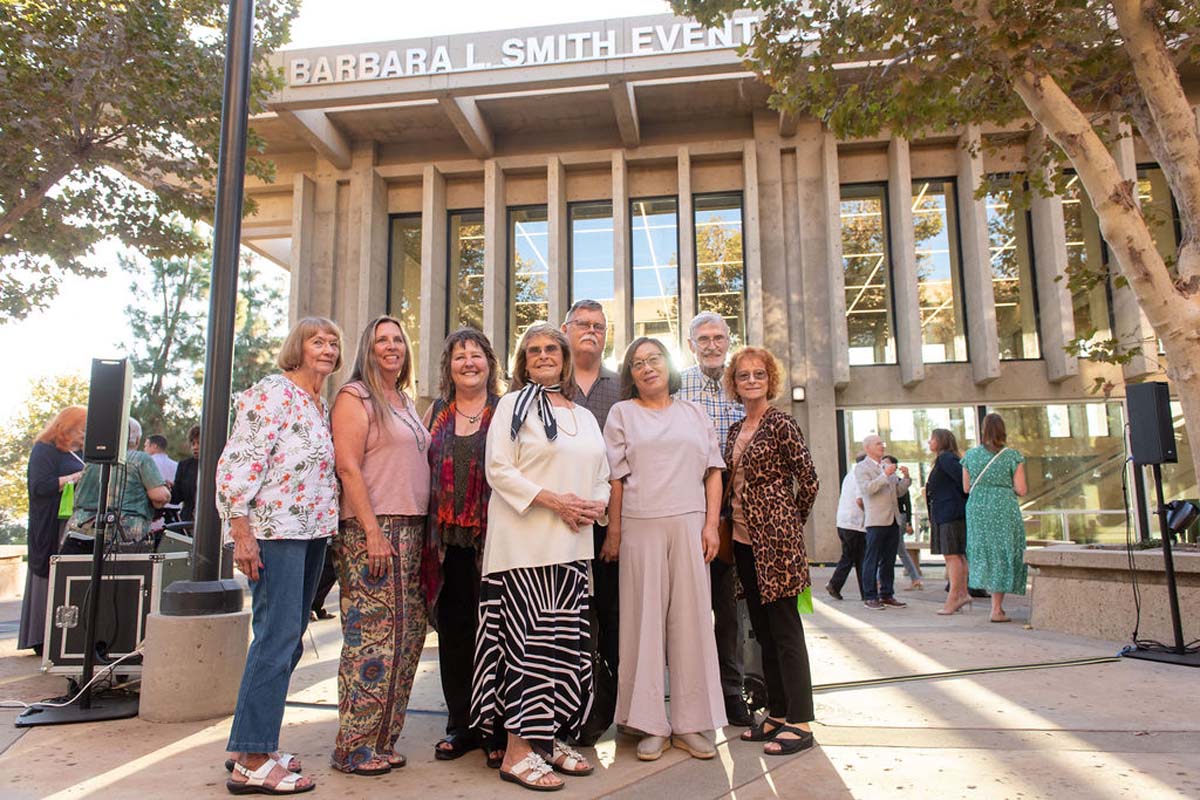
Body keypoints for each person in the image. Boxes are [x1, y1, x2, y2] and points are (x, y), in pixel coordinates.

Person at [476, 322, 610, 792]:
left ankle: (548, 743)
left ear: (565, 357)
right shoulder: (513, 406)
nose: (542, 355)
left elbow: (603, 475)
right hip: (523, 549)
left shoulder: (585, 416)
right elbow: (499, 470)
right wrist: (556, 502)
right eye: (533, 350)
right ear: (522, 362)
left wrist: (595, 506)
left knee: (564, 650)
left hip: (573, 548)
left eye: (551, 348)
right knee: (527, 650)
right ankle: (516, 752)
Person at [219, 316, 342, 795]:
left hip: (312, 534)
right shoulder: (272, 392)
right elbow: (237, 463)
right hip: (275, 532)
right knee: (275, 638)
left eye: (334, 342)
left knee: (288, 640)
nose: (327, 349)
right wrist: (241, 531)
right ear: (298, 347)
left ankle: (251, 743)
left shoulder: (318, 403)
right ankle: (251, 758)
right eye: (318, 341)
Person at [603, 337, 727, 761]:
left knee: (692, 624)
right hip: (640, 527)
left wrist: (711, 525)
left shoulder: (693, 412)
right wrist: (614, 533)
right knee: (643, 626)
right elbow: (615, 478)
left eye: (654, 358)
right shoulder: (621, 414)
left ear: (668, 364)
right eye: (637, 363)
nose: (647, 367)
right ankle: (649, 723)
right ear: (630, 374)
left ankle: (692, 723)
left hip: (690, 524)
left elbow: (714, 471)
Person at [329, 315, 431, 776]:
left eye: (397, 340)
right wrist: (371, 530)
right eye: (381, 340)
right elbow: (348, 467)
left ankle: (383, 740)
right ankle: (352, 747)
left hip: (413, 531)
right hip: (374, 531)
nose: (391, 347)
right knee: (371, 643)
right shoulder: (355, 397)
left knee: (407, 641)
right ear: (367, 350)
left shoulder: (405, 401)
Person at [723, 346, 820, 756]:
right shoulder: (734, 428)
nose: (750, 381)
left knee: (786, 631)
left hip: (777, 543)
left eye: (758, 374)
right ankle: (778, 713)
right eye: (743, 375)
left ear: (770, 379)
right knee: (762, 632)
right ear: (734, 382)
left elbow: (809, 479)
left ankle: (800, 721)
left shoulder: (781, 423)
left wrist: (787, 523)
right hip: (745, 544)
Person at [422, 328, 502, 764]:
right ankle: (461, 724)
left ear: (490, 362)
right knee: (454, 638)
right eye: (459, 357)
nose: (468, 362)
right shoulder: (436, 412)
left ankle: (496, 729)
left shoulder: (506, 410)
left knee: (496, 638)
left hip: (494, 545)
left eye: (476, 355)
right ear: (448, 367)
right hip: (447, 546)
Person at [675, 311, 752, 727]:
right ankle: (688, 693)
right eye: (702, 338)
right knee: (686, 608)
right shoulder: (678, 384)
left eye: (717, 337)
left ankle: (730, 692)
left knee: (728, 609)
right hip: (686, 506)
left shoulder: (742, 383)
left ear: (728, 339)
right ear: (690, 344)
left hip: (731, 512)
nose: (711, 345)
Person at [560, 298, 621, 744]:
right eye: (582, 324)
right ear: (565, 330)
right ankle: (563, 708)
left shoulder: (621, 388)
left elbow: (623, 465)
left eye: (598, 326)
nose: (591, 331)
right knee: (566, 622)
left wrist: (614, 528)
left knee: (611, 620)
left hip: (607, 526)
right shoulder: (546, 385)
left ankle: (604, 711)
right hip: (553, 525)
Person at [18, 406, 86, 656]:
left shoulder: (80, 452)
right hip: (51, 523)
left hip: (74, 523)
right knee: (47, 574)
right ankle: (41, 634)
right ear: (67, 427)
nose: (84, 434)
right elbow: (39, 486)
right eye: (81, 429)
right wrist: (77, 477)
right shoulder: (44, 450)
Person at [63, 418, 169, 553]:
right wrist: (165, 491)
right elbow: (159, 496)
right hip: (122, 534)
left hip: (78, 531)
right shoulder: (141, 459)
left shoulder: (92, 461)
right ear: (137, 440)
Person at [962, 413, 1028, 623]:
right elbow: (1021, 489)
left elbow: (966, 487)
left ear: (983, 430)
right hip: (1003, 506)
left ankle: (991, 599)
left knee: (984, 550)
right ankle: (996, 608)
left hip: (978, 507)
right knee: (1003, 549)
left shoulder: (970, 456)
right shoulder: (1012, 456)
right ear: (1003, 430)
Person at [854, 434, 911, 610]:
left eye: (883, 443)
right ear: (868, 448)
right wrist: (884, 475)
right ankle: (870, 596)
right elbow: (867, 489)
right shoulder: (861, 468)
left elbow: (898, 492)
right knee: (871, 559)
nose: (882, 446)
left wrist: (907, 479)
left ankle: (887, 594)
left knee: (888, 559)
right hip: (876, 520)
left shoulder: (887, 467)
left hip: (893, 520)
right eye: (878, 444)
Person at [926, 428, 970, 615]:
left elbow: (964, 482)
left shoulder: (946, 459)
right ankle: (962, 593)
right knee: (955, 555)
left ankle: (955, 597)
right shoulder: (945, 459)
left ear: (941, 441)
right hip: (947, 512)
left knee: (953, 555)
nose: (929, 442)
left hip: (950, 513)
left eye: (932, 439)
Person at [827, 453, 867, 601]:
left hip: (844, 523)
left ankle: (835, 585)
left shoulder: (850, 475)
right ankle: (866, 592)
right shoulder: (859, 475)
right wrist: (871, 514)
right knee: (860, 558)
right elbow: (860, 500)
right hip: (855, 524)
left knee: (850, 556)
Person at [882, 455, 923, 590]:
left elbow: (907, 503)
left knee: (899, 549)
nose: (883, 465)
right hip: (889, 517)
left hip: (899, 517)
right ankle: (915, 578)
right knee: (897, 549)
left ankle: (915, 578)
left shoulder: (899, 482)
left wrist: (909, 522)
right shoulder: (883, 480)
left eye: (887, 463)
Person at [170, 425, 200, 522]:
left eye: (199, 443)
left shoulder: (219, 465)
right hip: (187, 521)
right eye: (193, 443)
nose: (195, 447)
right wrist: (169, 489)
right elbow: (176, 498)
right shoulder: (184, 465)